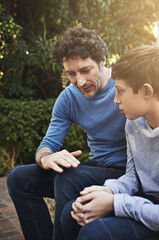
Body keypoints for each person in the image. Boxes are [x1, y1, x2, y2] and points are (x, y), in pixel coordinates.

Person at [7, 26, 127, 240]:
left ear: (102, 61)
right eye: (71, 73)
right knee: (18, 179)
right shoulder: (69, 98)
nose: (79, 82)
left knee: (69, 176)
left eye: (86, 70)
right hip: (94, 168)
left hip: (124, 173)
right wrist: (46, 157)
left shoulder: (125, 85)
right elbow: (48, 144)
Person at [60, 46, 159, 240]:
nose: (115, 99)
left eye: (120, 91)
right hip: (145, 202)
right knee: (72, 212)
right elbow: (133, 175)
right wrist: (107, 190)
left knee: (94, 233)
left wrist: (115, 203)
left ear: (146, 91)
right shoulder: (133, 122)